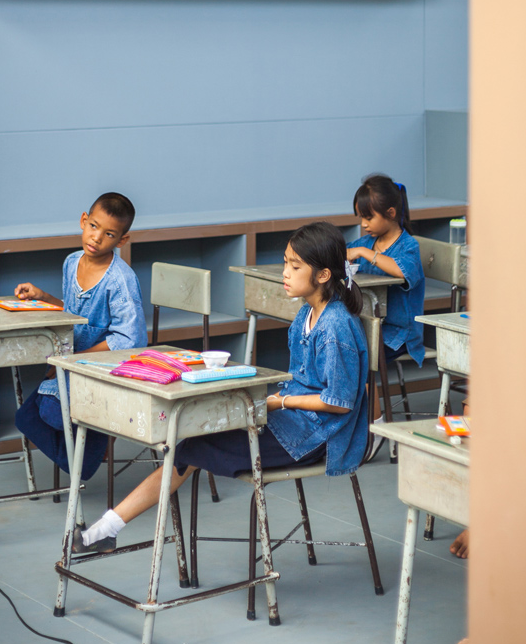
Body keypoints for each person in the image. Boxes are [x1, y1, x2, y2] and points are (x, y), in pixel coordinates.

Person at [76, 220, 369, 553]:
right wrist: (275, 400)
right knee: (188, 440)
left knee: (188, 446)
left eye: (295, 266)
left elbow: (340, 403)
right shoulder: (306, 314)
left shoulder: (336, 325)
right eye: (286, 262)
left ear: (323, 275)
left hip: (318, 438)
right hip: (292, 421)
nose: (285, 272)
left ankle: (106, 529)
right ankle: (107, 528)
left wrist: (281, 403)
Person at [13, 192, 147, 480]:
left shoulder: (120, 280)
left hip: (105, 368)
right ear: (84, 221)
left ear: (121, 240)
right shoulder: (72, 262)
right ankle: (89, 453)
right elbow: (73, 313)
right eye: (94, 226)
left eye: (109, 233)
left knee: (49, 410)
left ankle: (94, 438)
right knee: (24, 417)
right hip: (72, 364)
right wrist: (43, 297)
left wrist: (72, 361)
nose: (97, 238)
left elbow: (129, 340)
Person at [346, 174, 425, 368]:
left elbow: (401, 270)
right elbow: (343, 251)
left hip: (398, 335)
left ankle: (367, 399)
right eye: (361, 218)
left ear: (390, 213)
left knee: (355, 358)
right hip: (367, 328)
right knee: (341, 349)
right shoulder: (365, 242)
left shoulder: (408, 246)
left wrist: (365, 253)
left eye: (369, 217)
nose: (363, 224)